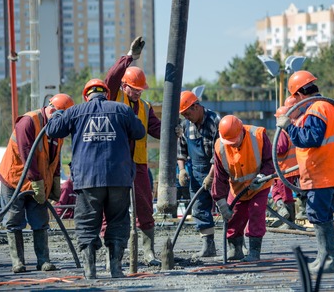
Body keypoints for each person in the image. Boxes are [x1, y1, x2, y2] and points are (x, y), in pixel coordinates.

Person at [46, 79, 145, 279]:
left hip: (88, 179)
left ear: (86, 95)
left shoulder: (75, 112)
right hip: (118, 177)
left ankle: (90, 271)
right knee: (118, 221)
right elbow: (140, 131)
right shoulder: (122, 110)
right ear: (106, 94)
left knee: (87, 223)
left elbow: (52, 130)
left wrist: (58, 114)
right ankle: (116, 269)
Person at [104, 36, 178, 267]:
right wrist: (130, 57)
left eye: (140, 90)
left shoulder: (145, 107)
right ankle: (111, 253)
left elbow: (156, 128)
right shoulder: (114, 97)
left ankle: (148, 252)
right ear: (124, 86)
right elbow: (111, 78)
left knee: (145, 206)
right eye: (133, 89)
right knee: (113, 208)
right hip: (115, 164)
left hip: (138, 164)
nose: (137, 93)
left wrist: (172, 129)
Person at [276, 70, 334, 273]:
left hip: (322, 173)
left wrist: (289, 127)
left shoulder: (317, 109)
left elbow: (310, 139)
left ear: (299, 94)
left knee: (319, 215)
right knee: (321, 216)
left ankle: (330, 260)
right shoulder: (328, 106)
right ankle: (324, 258)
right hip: (330, 171)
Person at [0, 93, 74, 274]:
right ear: (55, 112)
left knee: (40, 221)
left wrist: (54, 183)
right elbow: (27, 156)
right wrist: (38, 183)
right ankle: (18, 262)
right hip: (15, 181)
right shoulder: (28, 122)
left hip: (37, 183)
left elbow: (54, 159)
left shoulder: (57, 130)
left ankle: (43, 260)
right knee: (14, 221)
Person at [212, 115, 275, 262]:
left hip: (260, 185)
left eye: (234, 141)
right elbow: (219, 176)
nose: (232, 145)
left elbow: (270, 161)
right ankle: (235, 250)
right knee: (234, 217)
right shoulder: (220, 146)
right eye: (230, 142)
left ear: (241, 131)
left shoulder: (258, 136)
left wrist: (261, 177)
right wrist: (220, 201)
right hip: (238, 189)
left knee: (256, 212)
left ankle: (254, 252)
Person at [177, 91, 221, 258]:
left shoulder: (215, 121)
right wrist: (181, 170)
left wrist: (211, 176)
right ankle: (208, 246)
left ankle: (236, 245)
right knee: (199, 208)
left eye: (188, 113)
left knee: (227, 207)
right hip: (196, 172)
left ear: (196, 107)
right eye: (184, 115)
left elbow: (220, 153)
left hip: (218, 171)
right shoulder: (186, 126)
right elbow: (181, 151)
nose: (187, 117)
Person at [270, 104, 299, 229]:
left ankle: (289, 222)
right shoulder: (292, 128)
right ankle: (284, 215)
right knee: (276, 191)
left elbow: (280, 148)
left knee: (284, 194)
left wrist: (269, 151)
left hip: (284, 169)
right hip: (288, 168)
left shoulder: (282, 131)